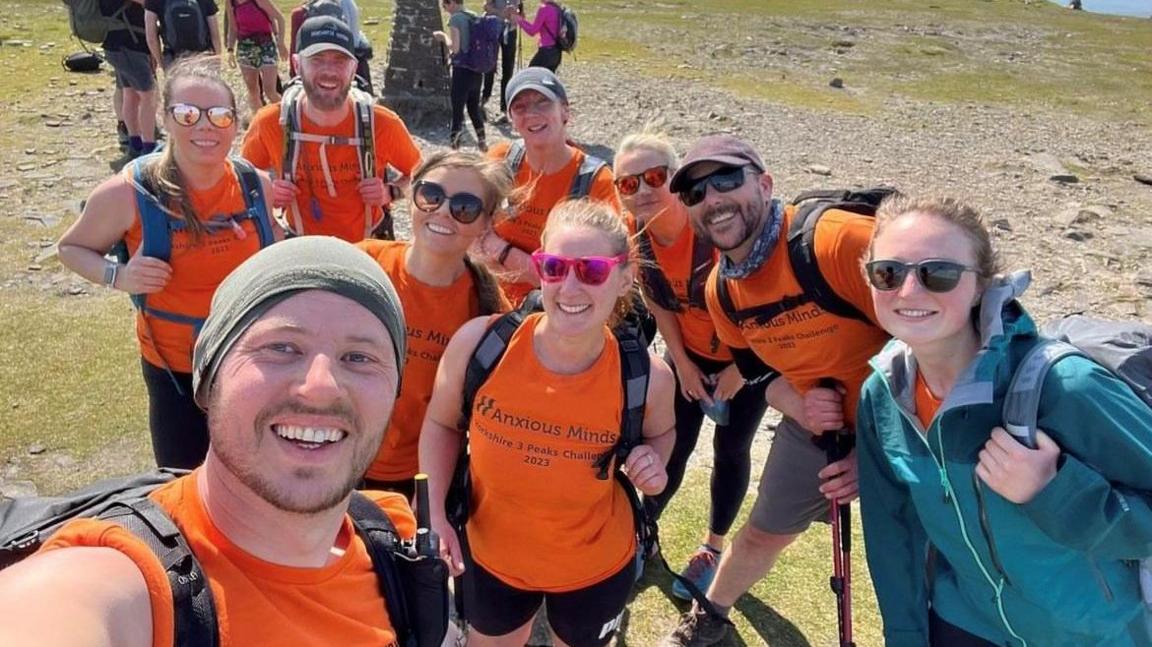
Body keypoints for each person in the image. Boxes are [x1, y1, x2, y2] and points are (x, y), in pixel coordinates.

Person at [0, 236, 419, 646]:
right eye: (282, 347)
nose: (321, 387)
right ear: (208, 377)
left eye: (360, 358)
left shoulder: (390, 539)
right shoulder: (119, 579)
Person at [856, 195, 1152, 646]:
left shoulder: (1064, 387)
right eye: (888, 273)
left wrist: (1056, 493)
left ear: (981, 285)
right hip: (965, 624)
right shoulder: (882, 394)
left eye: (939, 274)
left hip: (1090, 635)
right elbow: (891, 537)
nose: (909, 292)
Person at [660, 135, 890, 646]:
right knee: (762, 533)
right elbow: (762, 377)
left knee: (915, 558)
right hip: (817, 431)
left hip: (912, 432)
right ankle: (710, 616)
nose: (712, 199)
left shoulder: (839, 242)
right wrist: (797, 403)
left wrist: (876, 452)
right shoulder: (723, 291)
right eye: (695, 193)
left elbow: (939, 345)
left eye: (727, 179)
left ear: (765, 183)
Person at [420, 200, 676, 647]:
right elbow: (443, 425)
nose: (570, 286)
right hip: (489, 557)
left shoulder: (645, 377)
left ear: (623, 278)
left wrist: (653, 461)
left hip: (596, 566)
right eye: (555, 267)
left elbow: (662, 433)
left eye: (591, 270)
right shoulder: (481, 344)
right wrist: (436, 513)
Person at [58, 57, 282, 470]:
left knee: (256, 476)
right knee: (181, 480)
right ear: (165, 118)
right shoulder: (128, 193)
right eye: (187, 113)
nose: (205, 127)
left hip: (250, 363)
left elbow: (275, 247)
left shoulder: (255, 187)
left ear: (235, 123)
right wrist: (119, 275)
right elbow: (71, 248)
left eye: (219, 115)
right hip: (175, 369)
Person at [614, 131, 769, 598]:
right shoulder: (635, 235)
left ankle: (712, 548)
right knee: (672, 444)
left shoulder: (714, 230)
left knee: (731, 449)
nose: (641, 191)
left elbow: (767, 306)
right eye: (627, 183)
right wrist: (680, 362)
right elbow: (660, 304)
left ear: (676, 179)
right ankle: (642, 528)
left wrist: (738, 371)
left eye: (654, 177)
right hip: (692, 355)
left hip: (750, 360)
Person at [357, 151, 512, 497]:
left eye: (465, 207)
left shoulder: (488, 309)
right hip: (335, 459)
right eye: (431, 194)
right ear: (411, 198)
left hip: (422, 479)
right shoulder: (360, 263)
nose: (443, 211)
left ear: (486, 224)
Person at [242, 15, 421, 242]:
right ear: (297, 64)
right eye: (316, 59)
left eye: (339, 60)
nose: (329, 71)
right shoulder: (270, 123)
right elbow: (240, 182)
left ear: (353, 67)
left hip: (368, 244)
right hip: (300, 243)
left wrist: (390, 191)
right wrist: (267, 192)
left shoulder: (381, 123)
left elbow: (422, 175)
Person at [480, 67, 619, 305]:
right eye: (519, 107)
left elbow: (596, 274)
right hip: (489, 298)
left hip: (558, 309)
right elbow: (471, 234)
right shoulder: (501, 159)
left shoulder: (597, 181)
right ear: (512, 120)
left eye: (542, 102)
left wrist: (501, 251)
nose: (531, 113)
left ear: (566, 111)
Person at [103, 0, 158, 158]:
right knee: (148, 96)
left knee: (130, 94)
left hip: (120, 44)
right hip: (129, 46)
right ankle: (149, 146)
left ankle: (135, 143)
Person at [433, 0, 490, 151]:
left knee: (457, 111)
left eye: (444, 6)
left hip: (462, 70)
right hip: (477, 69)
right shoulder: (474, 15)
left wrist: (443, 37)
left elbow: (456, 48)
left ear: (451, 3)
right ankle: (482, 142)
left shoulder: (455, 19)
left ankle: (454, 148)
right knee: (473, 108)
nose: (445, 10)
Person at [224, 0, 289, 113]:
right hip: (245, 47)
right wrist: (230, 50)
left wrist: (280, 42)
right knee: (253, 91)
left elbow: (280, 18)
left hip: (265, 46)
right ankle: (258, 122)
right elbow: (233, 28)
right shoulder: (231, 2)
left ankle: (287, 117)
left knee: (270, 91)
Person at [144, 0, 223, 69]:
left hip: (173, 59)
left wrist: (161, 63)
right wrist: (217, 60)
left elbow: (151, 38)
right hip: (203, 57)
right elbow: (215, 35)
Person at [480, 0, 518, 123]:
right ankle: (484, 101)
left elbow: (520, 11)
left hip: (510, 30)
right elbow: (486, 6)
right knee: (490, 66)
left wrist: (517, 15)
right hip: (494, 28)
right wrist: (502, 13)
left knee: (508, 68)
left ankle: (504, 109)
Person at [505, 0, 561, 72]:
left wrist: (518, 20)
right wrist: (521, 20)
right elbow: (535, 28)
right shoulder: (557, 8)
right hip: (556, 52)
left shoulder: (544, 9)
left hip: (546, 51)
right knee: (546, 79)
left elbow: (532, 31)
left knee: (530, 75)